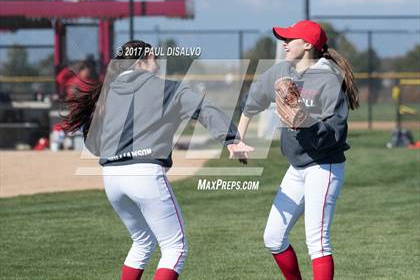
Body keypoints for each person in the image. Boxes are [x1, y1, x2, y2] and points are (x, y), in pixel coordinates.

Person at [62, 40, 253, 280]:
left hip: (111, 178)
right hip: (144, 175)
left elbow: (93, 142)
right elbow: (203, 107)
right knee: (176, 248)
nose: (157, 61)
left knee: (142, 243)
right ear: (141, 62)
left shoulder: (108, 91)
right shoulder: (166, 88)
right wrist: (232, 139)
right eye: (153, 57)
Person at [237, 20, 359, 280]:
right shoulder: (282, 70)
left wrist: (306, 123)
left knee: (317, 241)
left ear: (307, 45)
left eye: (290, 39)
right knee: (273, 237)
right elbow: (253, 100)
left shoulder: (328, 77)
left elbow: (336, 131)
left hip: (324, 166)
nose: (284, 42)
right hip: (297, 167)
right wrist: (239, 138)